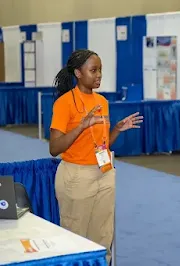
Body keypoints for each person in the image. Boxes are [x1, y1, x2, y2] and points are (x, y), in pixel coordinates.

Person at [49, 49, 143, 264]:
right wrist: (81, 126)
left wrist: (117, 129)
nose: (99, 75)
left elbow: (102, 144)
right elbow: (54, 148)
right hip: (77, 176)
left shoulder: (102, 101)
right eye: (93, 70)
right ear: (78, 73)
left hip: (104, 172)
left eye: (100, 70)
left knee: (103, 235)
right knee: (75, 236)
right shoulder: (64, 103)